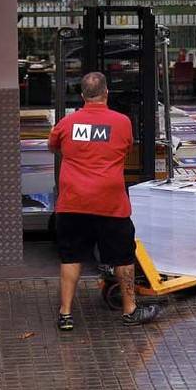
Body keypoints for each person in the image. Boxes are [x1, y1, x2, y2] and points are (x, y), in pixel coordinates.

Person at [48, 72, 161, 331]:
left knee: (70, 257)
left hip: (73, 202)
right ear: (106, 93)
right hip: (110, 203)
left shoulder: (68, 123)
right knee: (122, 257)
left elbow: (53, 146)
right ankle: (130, 310)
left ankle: (65, 313)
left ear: (82, 96)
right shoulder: (122, 123)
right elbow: (126, 147)